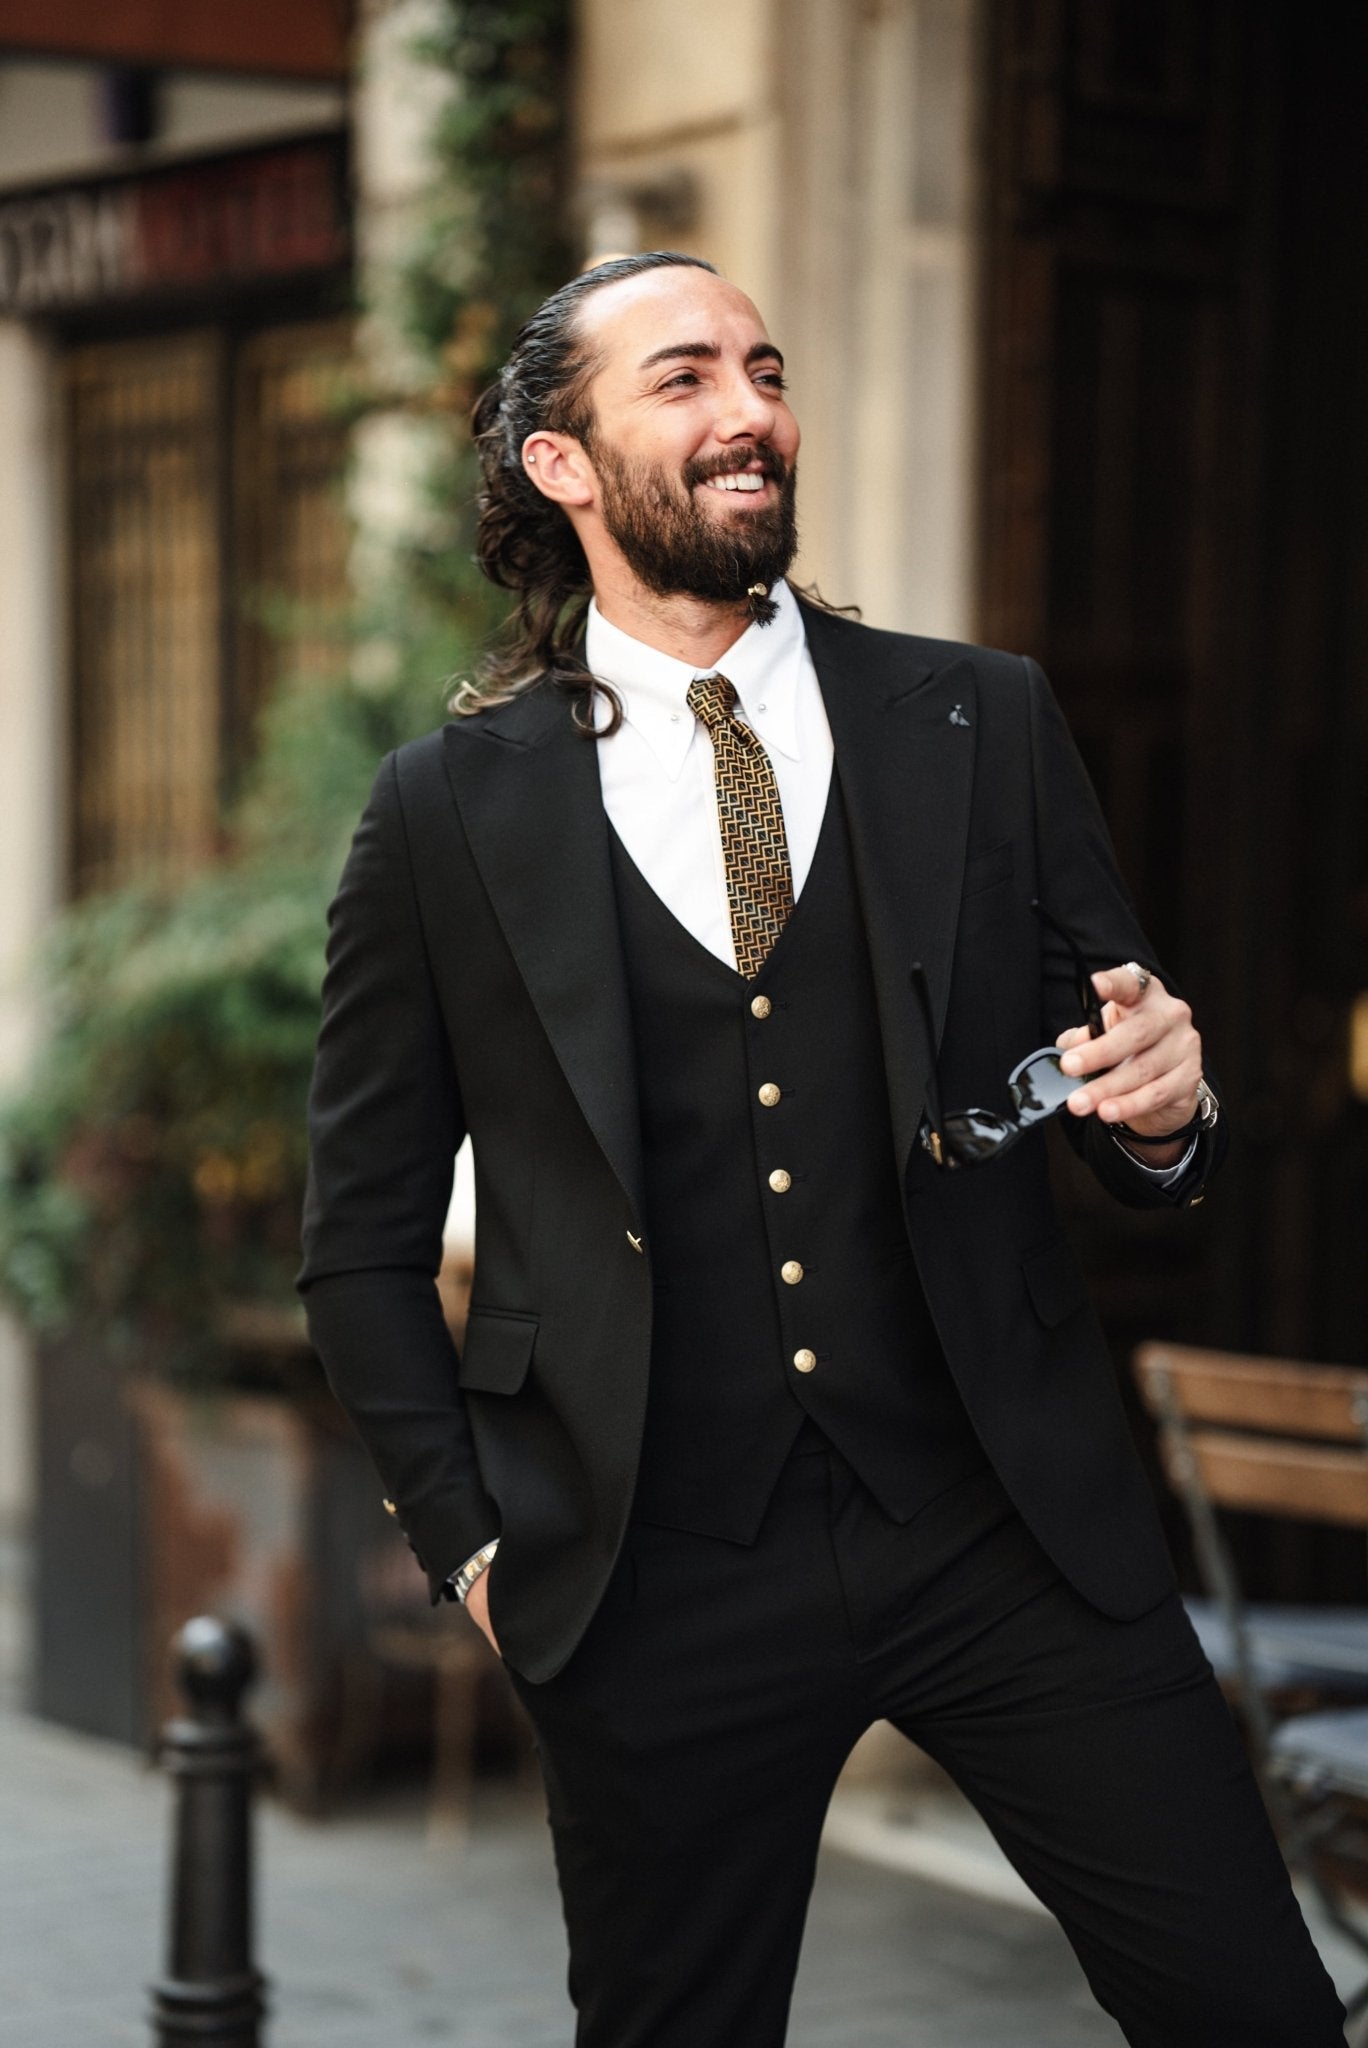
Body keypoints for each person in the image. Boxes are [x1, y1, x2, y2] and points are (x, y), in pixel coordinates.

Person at [299, 251, 1345, 2047]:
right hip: (655, 1562)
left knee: (1254, 2011)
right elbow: (361, 1243)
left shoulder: (979, 716)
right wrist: (474, 1548)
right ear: (566, 464)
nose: (750, 413)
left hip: (1002, 1528)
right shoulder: (447, 813)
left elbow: (1121, 1069)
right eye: (686, 377)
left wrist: (1168, 1114)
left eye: (765, 369)